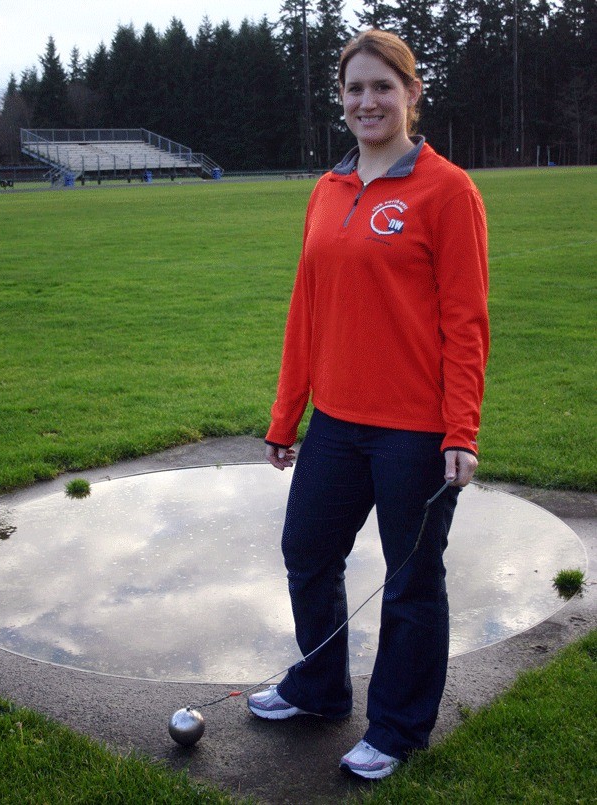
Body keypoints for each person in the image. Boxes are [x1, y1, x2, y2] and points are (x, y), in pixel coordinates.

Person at [248, 29, 489, 780]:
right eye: (354, 89)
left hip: (413, 431)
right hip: (337, 422)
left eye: (383, 86)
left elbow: (466, 320)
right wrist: (288, 415)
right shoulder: (328, 189)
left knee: (412, 580)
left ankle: (397, 726)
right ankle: (319, 688)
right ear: (341, 101)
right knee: (307, 551)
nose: (367, 101)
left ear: (413, 94)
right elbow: (305, 312)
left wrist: (461, 427)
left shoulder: (447, 190)